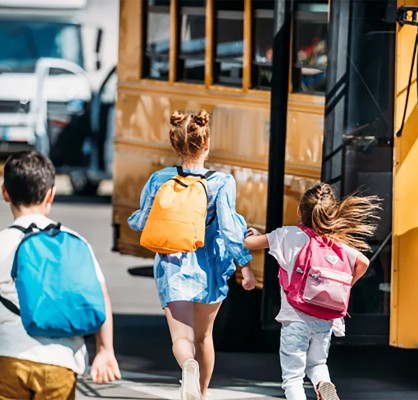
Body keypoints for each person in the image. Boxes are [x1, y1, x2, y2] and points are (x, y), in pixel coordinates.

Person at [128, 110, 256, 400]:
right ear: (206, 144)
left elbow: (141, 221)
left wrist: (135, 219)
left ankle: (187, 366)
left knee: (182, 338)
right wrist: (245, 267)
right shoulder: (222, 182)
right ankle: (201, 393)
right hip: (210, 267)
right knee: (204, 337)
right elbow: (230, 230)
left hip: (173, 265)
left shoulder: (160, 178)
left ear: (175, 145)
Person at [0, 150, 121, 400]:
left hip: (7, 357)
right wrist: (105, 349)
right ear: (51, 194)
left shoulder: (2, 242)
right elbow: (100, 297)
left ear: (5, 193)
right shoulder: (75, 241)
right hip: (61, 361)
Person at [244, 182, 380, 400]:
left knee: (293, 378)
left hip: (295, 319)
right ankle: (324, 384)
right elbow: (363, 262)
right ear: (330, 214)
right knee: (317, 364)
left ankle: (319, 386)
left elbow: (249, 243)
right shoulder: (335, 243)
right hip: (324, 319)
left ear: (299, 211)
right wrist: (346, 285)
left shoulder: (287, 235)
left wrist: (254, 233)